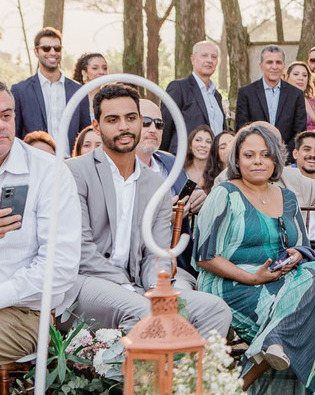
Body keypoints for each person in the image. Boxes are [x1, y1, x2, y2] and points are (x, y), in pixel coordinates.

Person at [65, 83, 231, 337]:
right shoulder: (75, 172)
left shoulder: (157, 184)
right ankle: (149, 376)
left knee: (215, 310)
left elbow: (158, 253)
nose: (124, 126)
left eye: (131, 118)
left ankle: (192, 377)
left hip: (139, 287)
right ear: (97, 126)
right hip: (83, 284)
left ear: (140, 122)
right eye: (112, 119)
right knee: (145, 311)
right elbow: (82, 252)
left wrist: (156, 288)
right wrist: (131, 290)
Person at [193, 124, 315, 395]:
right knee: (296, 310)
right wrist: (253, 277)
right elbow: (205, 257)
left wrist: (295, 254)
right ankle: (241, 385)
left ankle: (254, 368)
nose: (257, 161)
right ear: (237, 160)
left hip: (280, 280)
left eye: (265, 155)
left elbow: (304, 248)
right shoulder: (224, 194)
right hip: (231, 282)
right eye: (249, 155)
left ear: (275, 161)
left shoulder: (288, 197)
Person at [0, 80, 82, 365]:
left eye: (6, 116)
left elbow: (59, 267)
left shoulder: (49, 172)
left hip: (29, 313)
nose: (2, 126)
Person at [11, 27, 91, 146]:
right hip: (34, 161)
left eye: (57, 48)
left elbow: (86, 133)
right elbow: (15, 134)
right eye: (46, 48)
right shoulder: (20, 91)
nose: (52, 52)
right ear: (36, 52)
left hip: (70, 162)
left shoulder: (78, 91)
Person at [235, 46, 307, 152]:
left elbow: (300, 131)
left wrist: (284, 155)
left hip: (287, 157)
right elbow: (242, 128)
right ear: (261, 66)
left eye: (278, 62)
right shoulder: (246, 93)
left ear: (283, 66)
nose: (274, 67)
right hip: (256, 155)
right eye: (269, 62)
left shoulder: (296, 94)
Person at [161, 40, 225, 154]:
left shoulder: (216, 96)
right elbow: (166, 125)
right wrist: (163, 158)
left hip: (212, 164)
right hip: (184, 160)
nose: (209, 60)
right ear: (193, 59)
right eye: (204, 55)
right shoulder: (179, 88)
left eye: (214, 57)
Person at [286, 61, 315, 132]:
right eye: (296, 74)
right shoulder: (282, 101)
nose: (301, 78)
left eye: (304, 75)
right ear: (287, 78)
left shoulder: (314, 102)